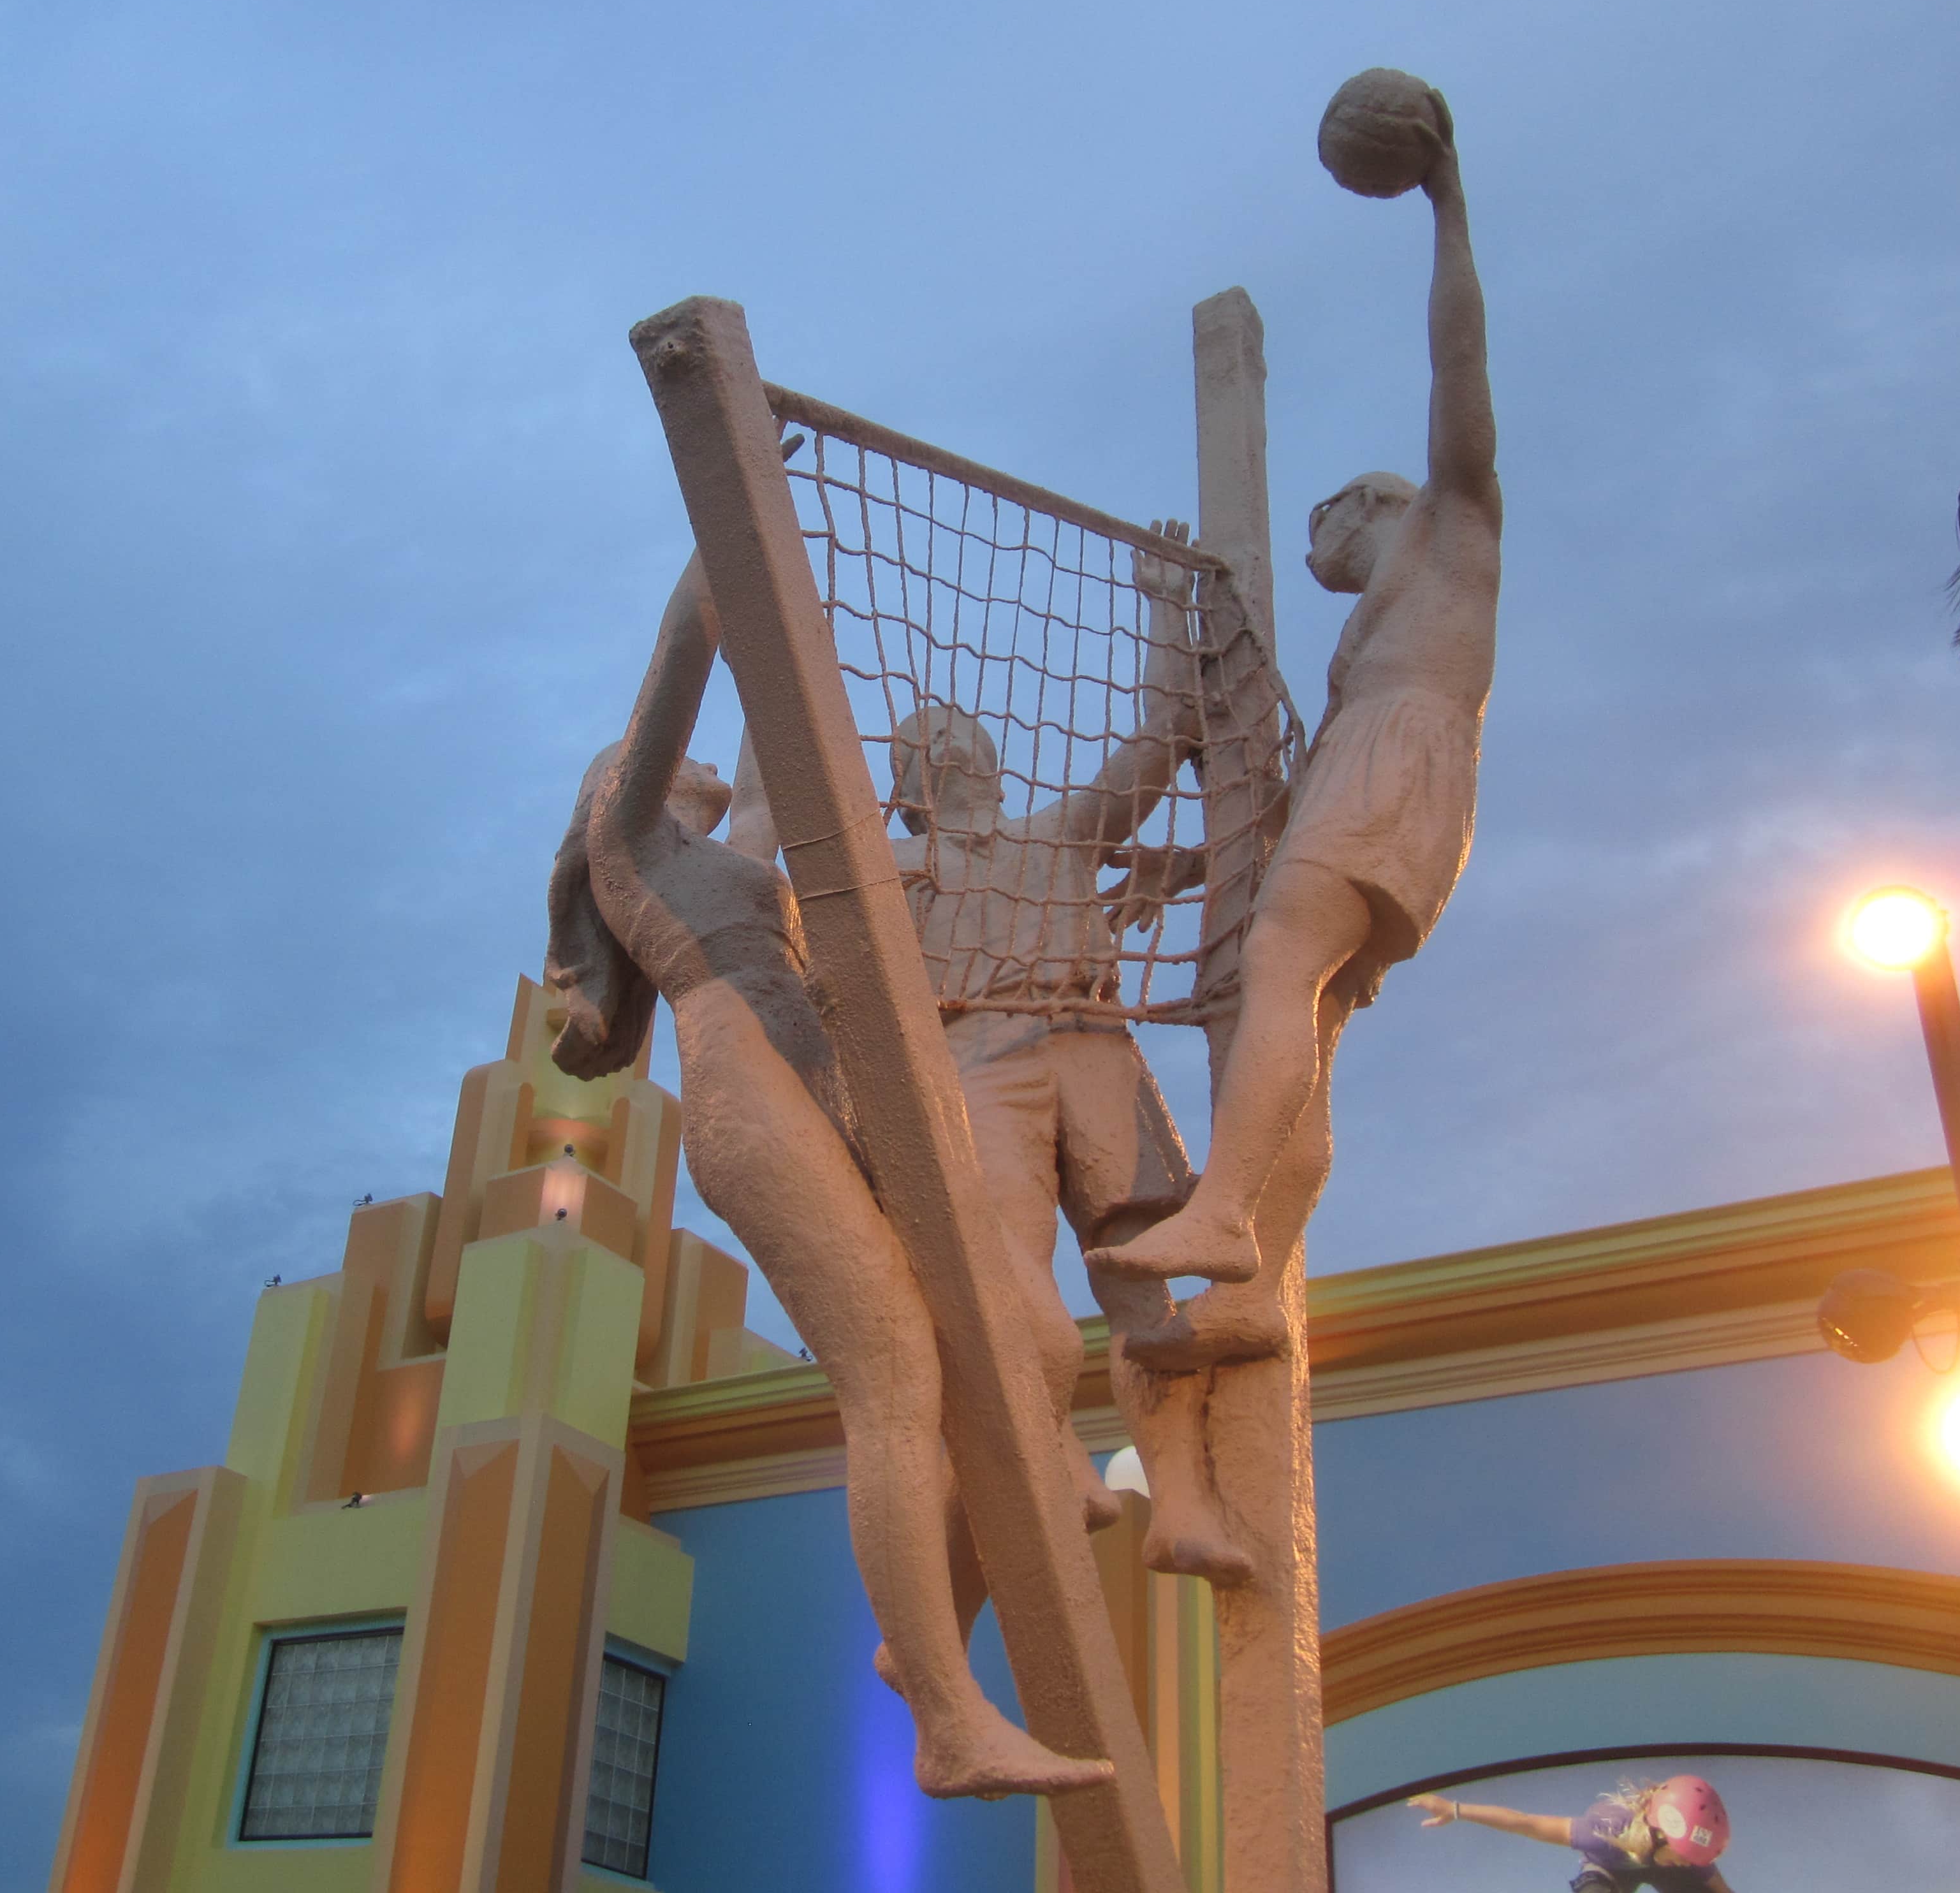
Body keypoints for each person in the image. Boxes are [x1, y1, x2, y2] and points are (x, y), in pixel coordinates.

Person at [546, 555, 1111, 1802]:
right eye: (656, 761)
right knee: (897, 1379)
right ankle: (950, 1723)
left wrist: (784, 622)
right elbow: (681, 667)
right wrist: (721, 550)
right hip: (753, 1099)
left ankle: (926, 1645)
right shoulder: (631, 845)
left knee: (1031, 1334)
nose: (688, 768)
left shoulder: (734, 851)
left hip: (838, 1089)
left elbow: (764, 751)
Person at [731, 520, 1251, 1582]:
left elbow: (1157, 746)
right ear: (910, 784)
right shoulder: (888, 869)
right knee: (1005, 1282)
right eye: (925, 741)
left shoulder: (1057, 837)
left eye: (961, 729)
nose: (949, 741)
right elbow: (782, 838)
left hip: (1093, 1049)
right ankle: (1053, 1452)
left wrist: (1159, 600)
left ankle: (1184, 1505)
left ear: (994, 758)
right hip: (975, 1072)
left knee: (1147, 1290)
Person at [1092, 91, 1500, 1372]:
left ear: (1373, 501)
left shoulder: (1454, 523)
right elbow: (1295, 821)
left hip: (1409, 757)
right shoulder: (1360, 652)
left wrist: (1446, 202)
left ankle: (1222, 1210)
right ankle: (1256, 1285)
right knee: (1302, 1017)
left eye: (1325, 522)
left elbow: (1459, 362)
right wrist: (1190, 868)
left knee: (1278, 965)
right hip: (1378, 778)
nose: (1314, 543)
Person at [1407, 1776, 1736, 1893]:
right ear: (1661, 1833)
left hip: (1650, 1863)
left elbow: (1722, 1890)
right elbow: (1527, 1823)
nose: (1687, 1864)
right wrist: (1455, 1809)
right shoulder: (1604, 1829)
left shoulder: (1691, 1853)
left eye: (1692, 1860)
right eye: (1683, 1858)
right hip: (1609, 1872)